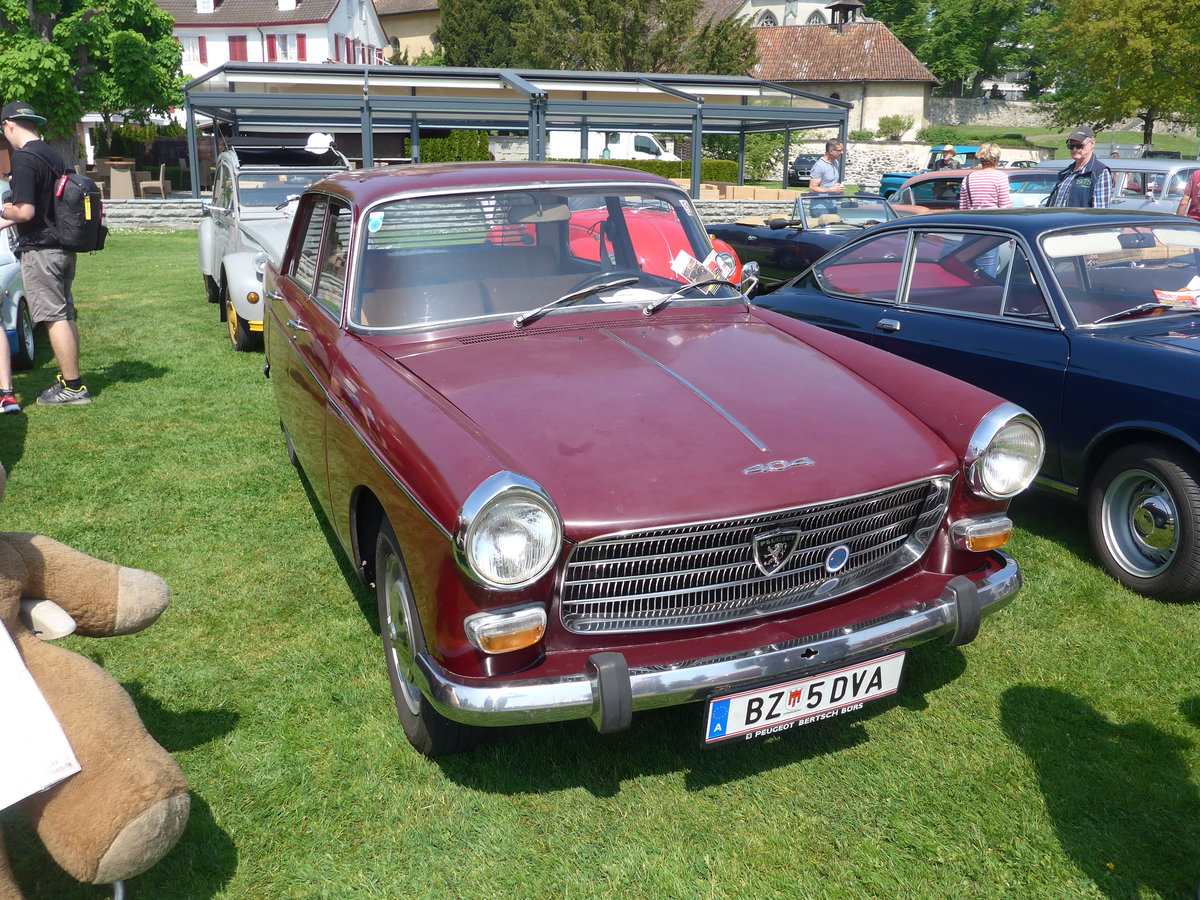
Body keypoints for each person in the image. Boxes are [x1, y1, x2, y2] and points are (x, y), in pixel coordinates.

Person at [0, 101, 89, 405]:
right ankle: (71, 380)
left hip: (41, 249)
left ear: (9, 126)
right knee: (65, 312)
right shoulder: (51, 153)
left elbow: (25, 211)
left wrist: (3, 208)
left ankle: (74, 388)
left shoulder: (24, 158)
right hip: (63, 245)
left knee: (52, 317)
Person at [1048, 125, 1111, 208]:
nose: (1074, 150)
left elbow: (1100, 213)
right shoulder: (1066, 173)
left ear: (1092, 144)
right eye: (1071, 146)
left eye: (1079, 145)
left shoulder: (1100, 172)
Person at [959, 143, 1011, 209]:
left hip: (972, 218)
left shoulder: (968, 178)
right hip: (994, 218)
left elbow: (963, 208)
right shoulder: (1000, 177)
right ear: (997, 159)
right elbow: (1005, 207)